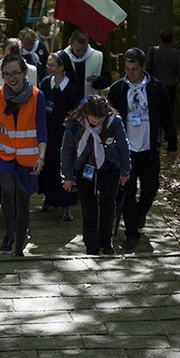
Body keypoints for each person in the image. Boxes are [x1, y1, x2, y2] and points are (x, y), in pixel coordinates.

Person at [108, 47, 178, 250]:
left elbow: (167, 118)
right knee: (127, 193)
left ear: (144, 66)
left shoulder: (156, 88)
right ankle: (131, 233)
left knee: (151, 188)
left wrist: (172, 145)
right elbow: (110, 121)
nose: (130, 73)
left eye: (135, 69)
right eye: (127, 68)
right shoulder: (117, 89)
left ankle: (139, 214)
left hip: (149, 150)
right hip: (126, 151)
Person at [0, 52, 47, 257]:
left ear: (24, 73)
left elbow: (42, 131)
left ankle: (19, 246)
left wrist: (41, 157)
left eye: (15, 73)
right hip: (3, 154)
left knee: (23, 202)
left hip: (28, 157)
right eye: (7, 74)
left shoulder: (37, 95)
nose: (11, 78)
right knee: (8, 190)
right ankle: (8, 234)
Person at [60, 95, 131, 255]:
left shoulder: (115, 122)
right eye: (93, 121)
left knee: (108, 204)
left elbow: (123, 146)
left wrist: (125, 170)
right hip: (84, 167)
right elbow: (66, 151)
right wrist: (68, 176)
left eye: (100, 121)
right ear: (86, 114)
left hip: (110, 166)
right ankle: (91, 245)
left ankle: (106, 241)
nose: (97, 124)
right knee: (88, 206)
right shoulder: (74, 123)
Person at [0, 38, 38, 209]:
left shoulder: (31, 71)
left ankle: (15, 209)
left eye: (16, 52)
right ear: (2, 52)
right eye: (9, 51)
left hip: (24, 132)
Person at [39, 52, 81, 218]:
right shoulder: (45, 84)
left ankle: (66, 205)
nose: (48, 68)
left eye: (52, 65)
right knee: (49, 165)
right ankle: (50, 198)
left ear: (62, 67)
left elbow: (74, 115)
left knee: (64, 165)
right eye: (48, 65)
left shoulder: (71, 88)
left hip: (65, 133)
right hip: (48, 131)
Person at [145, 27, 180, 106]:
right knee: (168, 108)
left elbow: (147, 68)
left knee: (155, 108)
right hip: (170, 86)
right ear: (172, 39)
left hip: (155, 85)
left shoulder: (153, 50)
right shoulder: (176, 53)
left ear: (160, 38)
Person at [62, 29, 112, 98]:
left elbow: (107, 80)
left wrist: (98, 80)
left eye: (84, 50)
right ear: (71, 44)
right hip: (69, 101)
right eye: (78, 50)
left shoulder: (97, 56)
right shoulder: (63, 57)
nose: (81, 53)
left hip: (90, 101)